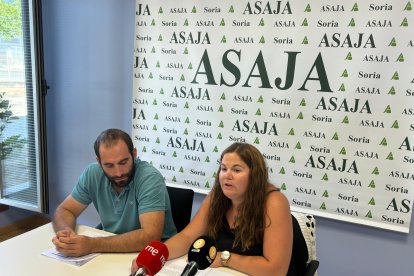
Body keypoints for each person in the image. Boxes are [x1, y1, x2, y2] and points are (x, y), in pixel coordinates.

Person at [131, 142, 305, 276]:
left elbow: (276, 270)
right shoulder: (217, 196)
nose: (227, 175)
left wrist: (224, 258)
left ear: (255, 176)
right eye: (223, 168)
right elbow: (187, 237)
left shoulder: (274, 202)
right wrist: (156, 256)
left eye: (236, 170)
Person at [52, 128, 176, 257]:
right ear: (99, 162)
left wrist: (93, 245)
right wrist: (65, 233)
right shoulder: (92, 174)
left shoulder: (149, 177)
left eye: (123, 162)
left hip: (155, 254)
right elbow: (65, 210)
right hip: (111, 250)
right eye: (109, 165)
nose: (119, 173)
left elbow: (150, 236)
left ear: (134, 154)